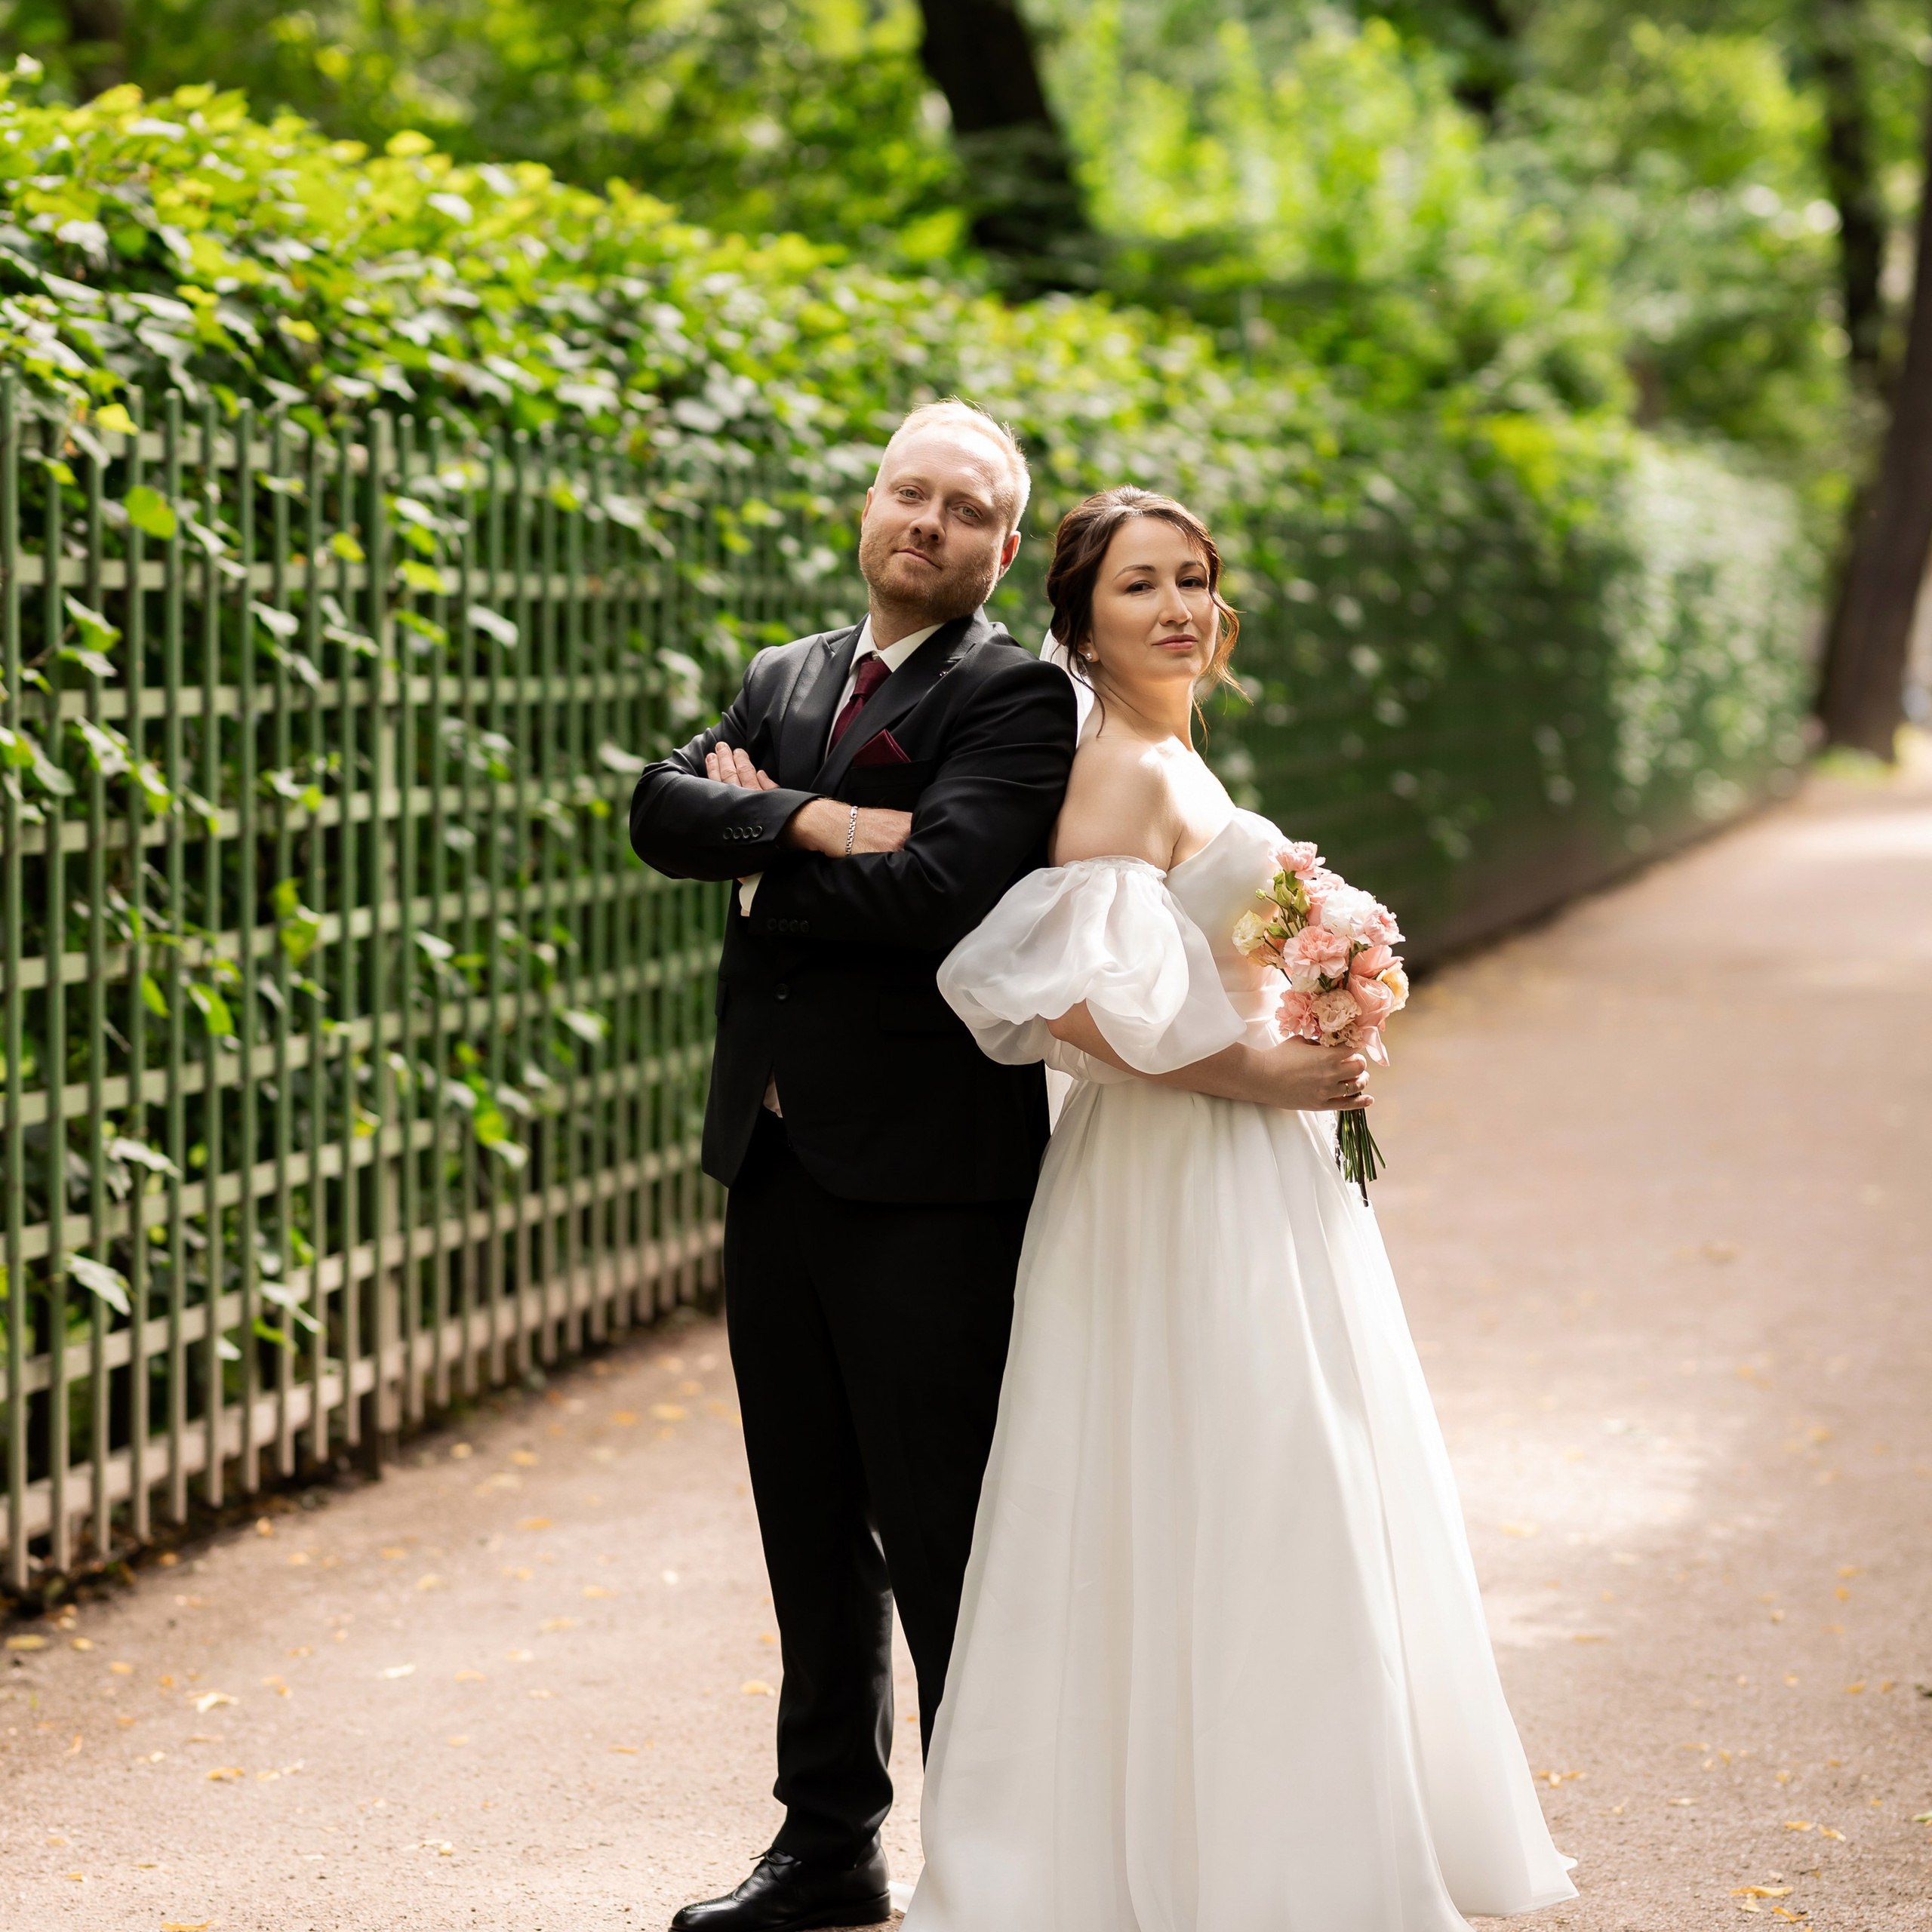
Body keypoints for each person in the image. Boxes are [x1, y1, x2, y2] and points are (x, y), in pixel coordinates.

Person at [909, 487, 1580, 1930]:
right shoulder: (1115, 770)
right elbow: (1061, 996)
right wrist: (1260, 1067)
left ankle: (1289, 1837)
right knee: (1210, 1473)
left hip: (1254, 1170)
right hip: (1172, 1168)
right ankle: (1171, 1858)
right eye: (1140, 583)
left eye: (1195, 580)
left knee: (1286, 1473)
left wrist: (1322, 1002)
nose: (1176, 608)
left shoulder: (1178, 756)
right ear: (1079, 612)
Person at [627, 399, 1080, 1932]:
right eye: (908, 490)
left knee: (944, 1528)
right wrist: (812, 818)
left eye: (964, 507)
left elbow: (947, 890)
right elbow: (659, 812)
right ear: (868, 503)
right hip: (770, 1157)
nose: (927, 520)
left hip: (928, 1178)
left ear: (999, 548)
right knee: (805, 1516)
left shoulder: (1014, 699)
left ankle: (1001, 1857)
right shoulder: (785, 672)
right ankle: (827, 1845)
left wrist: (765, 851)